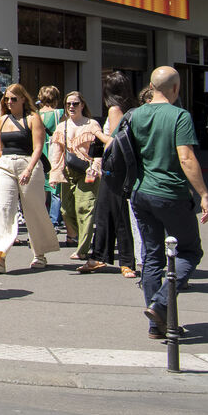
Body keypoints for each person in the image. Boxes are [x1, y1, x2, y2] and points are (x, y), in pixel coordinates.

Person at [127, 66, 208, 340]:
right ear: (175, 88)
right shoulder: (179, 115)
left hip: (140, 192)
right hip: (171, 193)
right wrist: (204, 193)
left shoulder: (134, 115)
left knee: (151, 256)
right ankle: (160, 304)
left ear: (151, 86)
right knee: (189, 251)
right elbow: (186, 157)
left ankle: (157, 325)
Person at [0, 84, 58, 274]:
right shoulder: (1, 120)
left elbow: (38, 147)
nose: (9, 102)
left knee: (34, 209)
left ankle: (40, 254)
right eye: (6, 99)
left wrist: (29, 169)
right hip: (6, 165)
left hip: (27, 163)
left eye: (14, 99)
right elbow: (1, 148)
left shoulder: (33, 118)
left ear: (23, 99)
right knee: (3, 209)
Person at [88, 71, 139, 279]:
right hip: (119, 168)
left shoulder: (114, 110)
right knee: (105, 212)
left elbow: (115, 142)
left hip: (115, 169)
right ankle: (98, 256)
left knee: (117, 215)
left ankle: (126, 261)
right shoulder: (130, 108)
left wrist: (97, 133)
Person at [49, 91, 104, 272]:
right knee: (66, 210)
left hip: (87, 171)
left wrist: (95, 167)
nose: (71, 107)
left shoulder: (91, 124)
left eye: (75, 103)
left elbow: (98, 149)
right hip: (68, 172)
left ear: (82, 105)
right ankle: (83, 237)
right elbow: (56, 153)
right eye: (68, 104)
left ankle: (82, 249)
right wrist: (54, 175)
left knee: (84, 209)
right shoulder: (62, 127)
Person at [36, 85, 67, 242]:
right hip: (54, 150)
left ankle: (41, 220)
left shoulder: (36, 115)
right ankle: (54, 221)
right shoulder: (59, 113)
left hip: (41, 152)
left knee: (42, 188)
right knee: (56, 188)